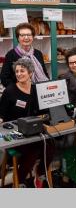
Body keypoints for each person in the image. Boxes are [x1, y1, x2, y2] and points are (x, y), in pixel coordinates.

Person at [0, 58, 53, 188]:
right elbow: (1, 114)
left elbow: (45, 110)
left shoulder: (36, 90)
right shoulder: (10, 91)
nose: (18, 74)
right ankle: (21, 180)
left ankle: (40, 173)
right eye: (17, 71)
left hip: (35, 130)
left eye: (22, 71)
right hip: (16, 134)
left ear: (30, 73)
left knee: (51, 144)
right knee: (33, 150)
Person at [0, 22, 49, 87]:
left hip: (39, 91)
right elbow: (4, 79)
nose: (26, 38)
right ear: (18, 38)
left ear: (33, 37)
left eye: (29, 35)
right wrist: (18, 89)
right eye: (22, 35)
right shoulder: (11, 55)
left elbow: (45, 73)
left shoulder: (38, 53)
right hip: (19, 93)